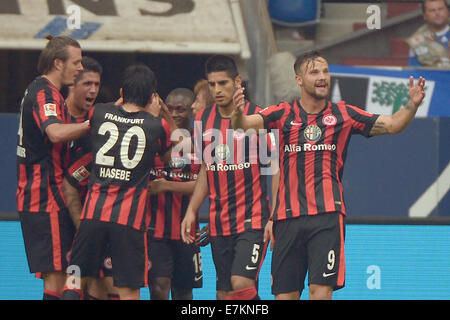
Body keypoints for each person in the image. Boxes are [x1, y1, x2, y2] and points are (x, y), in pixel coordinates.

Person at [232, 50, 426, 300]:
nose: (322, 77)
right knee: (285, 297)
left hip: (326, 218)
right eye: (314, 72)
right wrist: (237, 111)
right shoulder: (282, 113)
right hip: (287, 219)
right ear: (299, 80)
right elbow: (243, 124)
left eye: (325, 71)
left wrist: (412, 104)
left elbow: (393, 124)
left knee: (320, 293)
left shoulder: (344, 114)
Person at [61, 64, 173, 300]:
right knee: (128, 290)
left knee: (74, 281)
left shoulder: (99, 113)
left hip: (93, 214)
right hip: (128, 221)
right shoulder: (157, 126)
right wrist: (153, 115)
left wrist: (123, 102)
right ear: (152, 96)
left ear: (122, 92)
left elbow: (113, 112)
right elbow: (167, 157)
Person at [181, 55, 271, 300]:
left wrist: (274, 216)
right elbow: (205, 170)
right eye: (212, 84)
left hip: (253, 220)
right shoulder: (202, 119)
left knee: (241, 283)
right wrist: (192, 210)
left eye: (223, 83)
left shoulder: (258, 116)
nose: (217, 90)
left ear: (238, 82)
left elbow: (275, 166)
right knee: (224, 294)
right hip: (219, 222)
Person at [16, 35, 89, 300]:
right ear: (59, 63)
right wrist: (96, 125)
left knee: (59, 279)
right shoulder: (44, 92)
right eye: (76, 62)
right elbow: (56, 133)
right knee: (57, 280)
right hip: (45, 198)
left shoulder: (45, 91)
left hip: (44, 198)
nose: (80, 68)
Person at [62, 56, 120, 300]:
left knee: (102, 283)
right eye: (87, 84)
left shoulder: (104, 120)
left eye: (96, 84)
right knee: (66, 281)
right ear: (70, 84)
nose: (93, 90)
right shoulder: (55, 121)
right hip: (62, 213)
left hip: (97, 215)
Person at [147, 88, 205, 300]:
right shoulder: (151, 136)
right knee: (158, 287)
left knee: (183, 291)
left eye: (180, 109)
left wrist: (167, 186)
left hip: (187, 231)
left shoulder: (200, 142)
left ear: (192, 111)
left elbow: (204, 185)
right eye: (169, 109)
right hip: (155, 228)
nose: (173, 113)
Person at [407, 0, 449, 68]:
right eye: (432, 10)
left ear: (448, 11)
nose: (437, 13)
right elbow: (414, 73)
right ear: (424, 15)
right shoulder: (416, 42)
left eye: (440, 9)